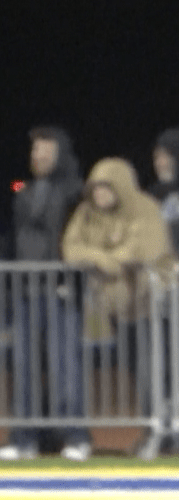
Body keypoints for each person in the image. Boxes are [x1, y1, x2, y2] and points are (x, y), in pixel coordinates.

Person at [60, 157, 176, 459]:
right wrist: (104, 259)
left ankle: (163, 434)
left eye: (106, 187)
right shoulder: (87, 213)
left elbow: (142, 250)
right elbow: (71, 248)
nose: (99, 194)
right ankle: (152, 431)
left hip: (151, 307)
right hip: (118, 311)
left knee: (155, 373)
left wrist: (104, 258)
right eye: (95, 188)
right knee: (138, 373)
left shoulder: (145, 208)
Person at [1, 126, 86, 461]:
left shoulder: (75, 192)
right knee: (24, 369)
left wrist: (68, 279)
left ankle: (75, 437)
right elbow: (16, 242)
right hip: (26, 290)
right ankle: (24, 439)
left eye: (45, 150)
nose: (37, 156)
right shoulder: (24, 194)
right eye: (35, 150)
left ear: (59, 153)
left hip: (61, 291)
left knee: (65, 367)